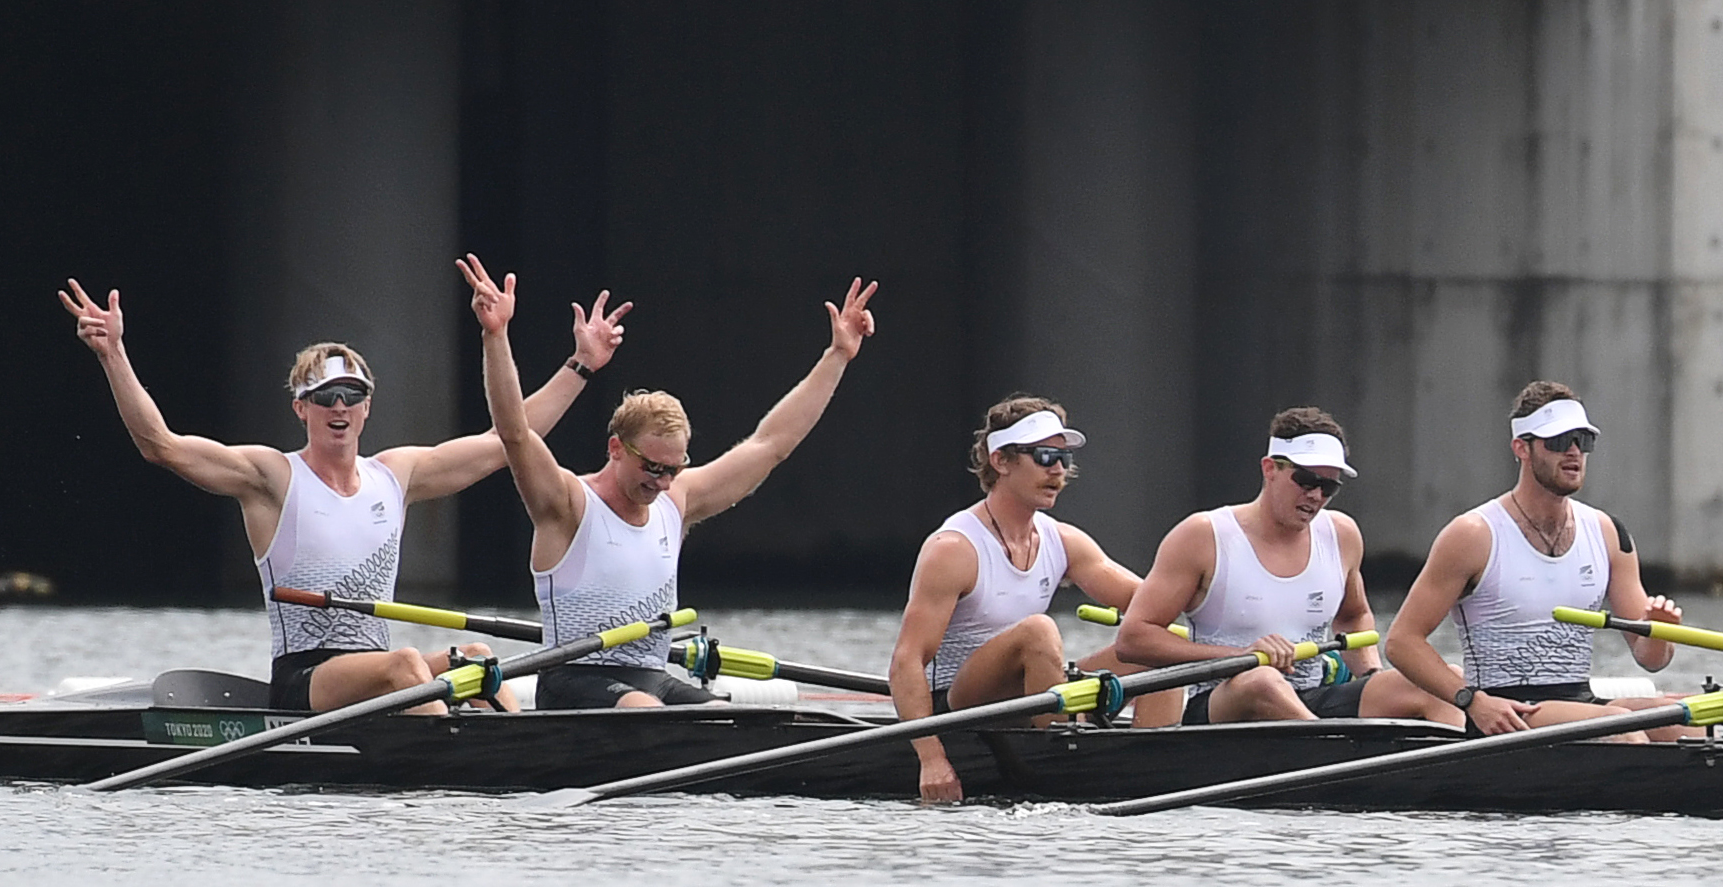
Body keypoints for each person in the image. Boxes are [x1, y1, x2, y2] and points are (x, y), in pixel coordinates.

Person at [59, 269, 630, 714]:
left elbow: (508, 439)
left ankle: (518, 746)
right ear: (300, 407)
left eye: (351, 396)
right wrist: (113, 354)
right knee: (407, 664)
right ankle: (462, 752)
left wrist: (581, 363)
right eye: (326, 396)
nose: (339, 408)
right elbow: (162, 445)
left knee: (477, 659)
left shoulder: (396, 474)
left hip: (381, 673)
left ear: (367, 408)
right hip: (307, 679)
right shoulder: (272, 478)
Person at [460, 254, 877, 709]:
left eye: (673, 469)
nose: (661, 482)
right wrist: (495, 335)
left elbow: (769, 444)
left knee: (725, 720)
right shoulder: (566, 503)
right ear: (616, 448)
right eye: (651, 467)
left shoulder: (677, 501)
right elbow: (515, 433)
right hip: (576, 683)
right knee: (649, 713)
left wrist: (836, 356)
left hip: (653, 679)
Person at [887, 396, 1177, 802]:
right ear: (1001, 461)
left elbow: (1153, 602)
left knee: (1160, 646)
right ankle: (1073, 747)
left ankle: (1154, 763)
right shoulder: (954, 549)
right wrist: (931, 758)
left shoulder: (1063, 540)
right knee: (1039, 631)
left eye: (1064, 458)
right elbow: (905, 661)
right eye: (1044, 456)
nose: (1058, 470)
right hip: (964, 707)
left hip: (1032, 698)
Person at [1385, 381, 1692, 742]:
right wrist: (1472, 701)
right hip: (1507, 713)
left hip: (1578, 701)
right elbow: (1402, 642)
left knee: (1688, 721)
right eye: (1559, 441)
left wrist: (1659, 630)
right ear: (1522, 448)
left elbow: (1651, 660)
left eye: (1583, 440)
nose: (1574, 452)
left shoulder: (1608, 532)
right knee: (1625, 735)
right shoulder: (1472, 535)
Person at [1114, 407, 1460, 727]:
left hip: (1308, 696)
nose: (1315, 496)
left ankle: (1465, 778)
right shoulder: (1203, 536)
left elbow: (1353, 616)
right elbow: (1134, 638)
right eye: (1307, 480)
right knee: (1264, 680)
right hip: (1225, 702)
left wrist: (1370, 672)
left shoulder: (1341, 535)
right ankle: (1331, 752)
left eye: (1329, 486)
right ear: (1270, 468)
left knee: (1443, 680)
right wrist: (1242, 655)